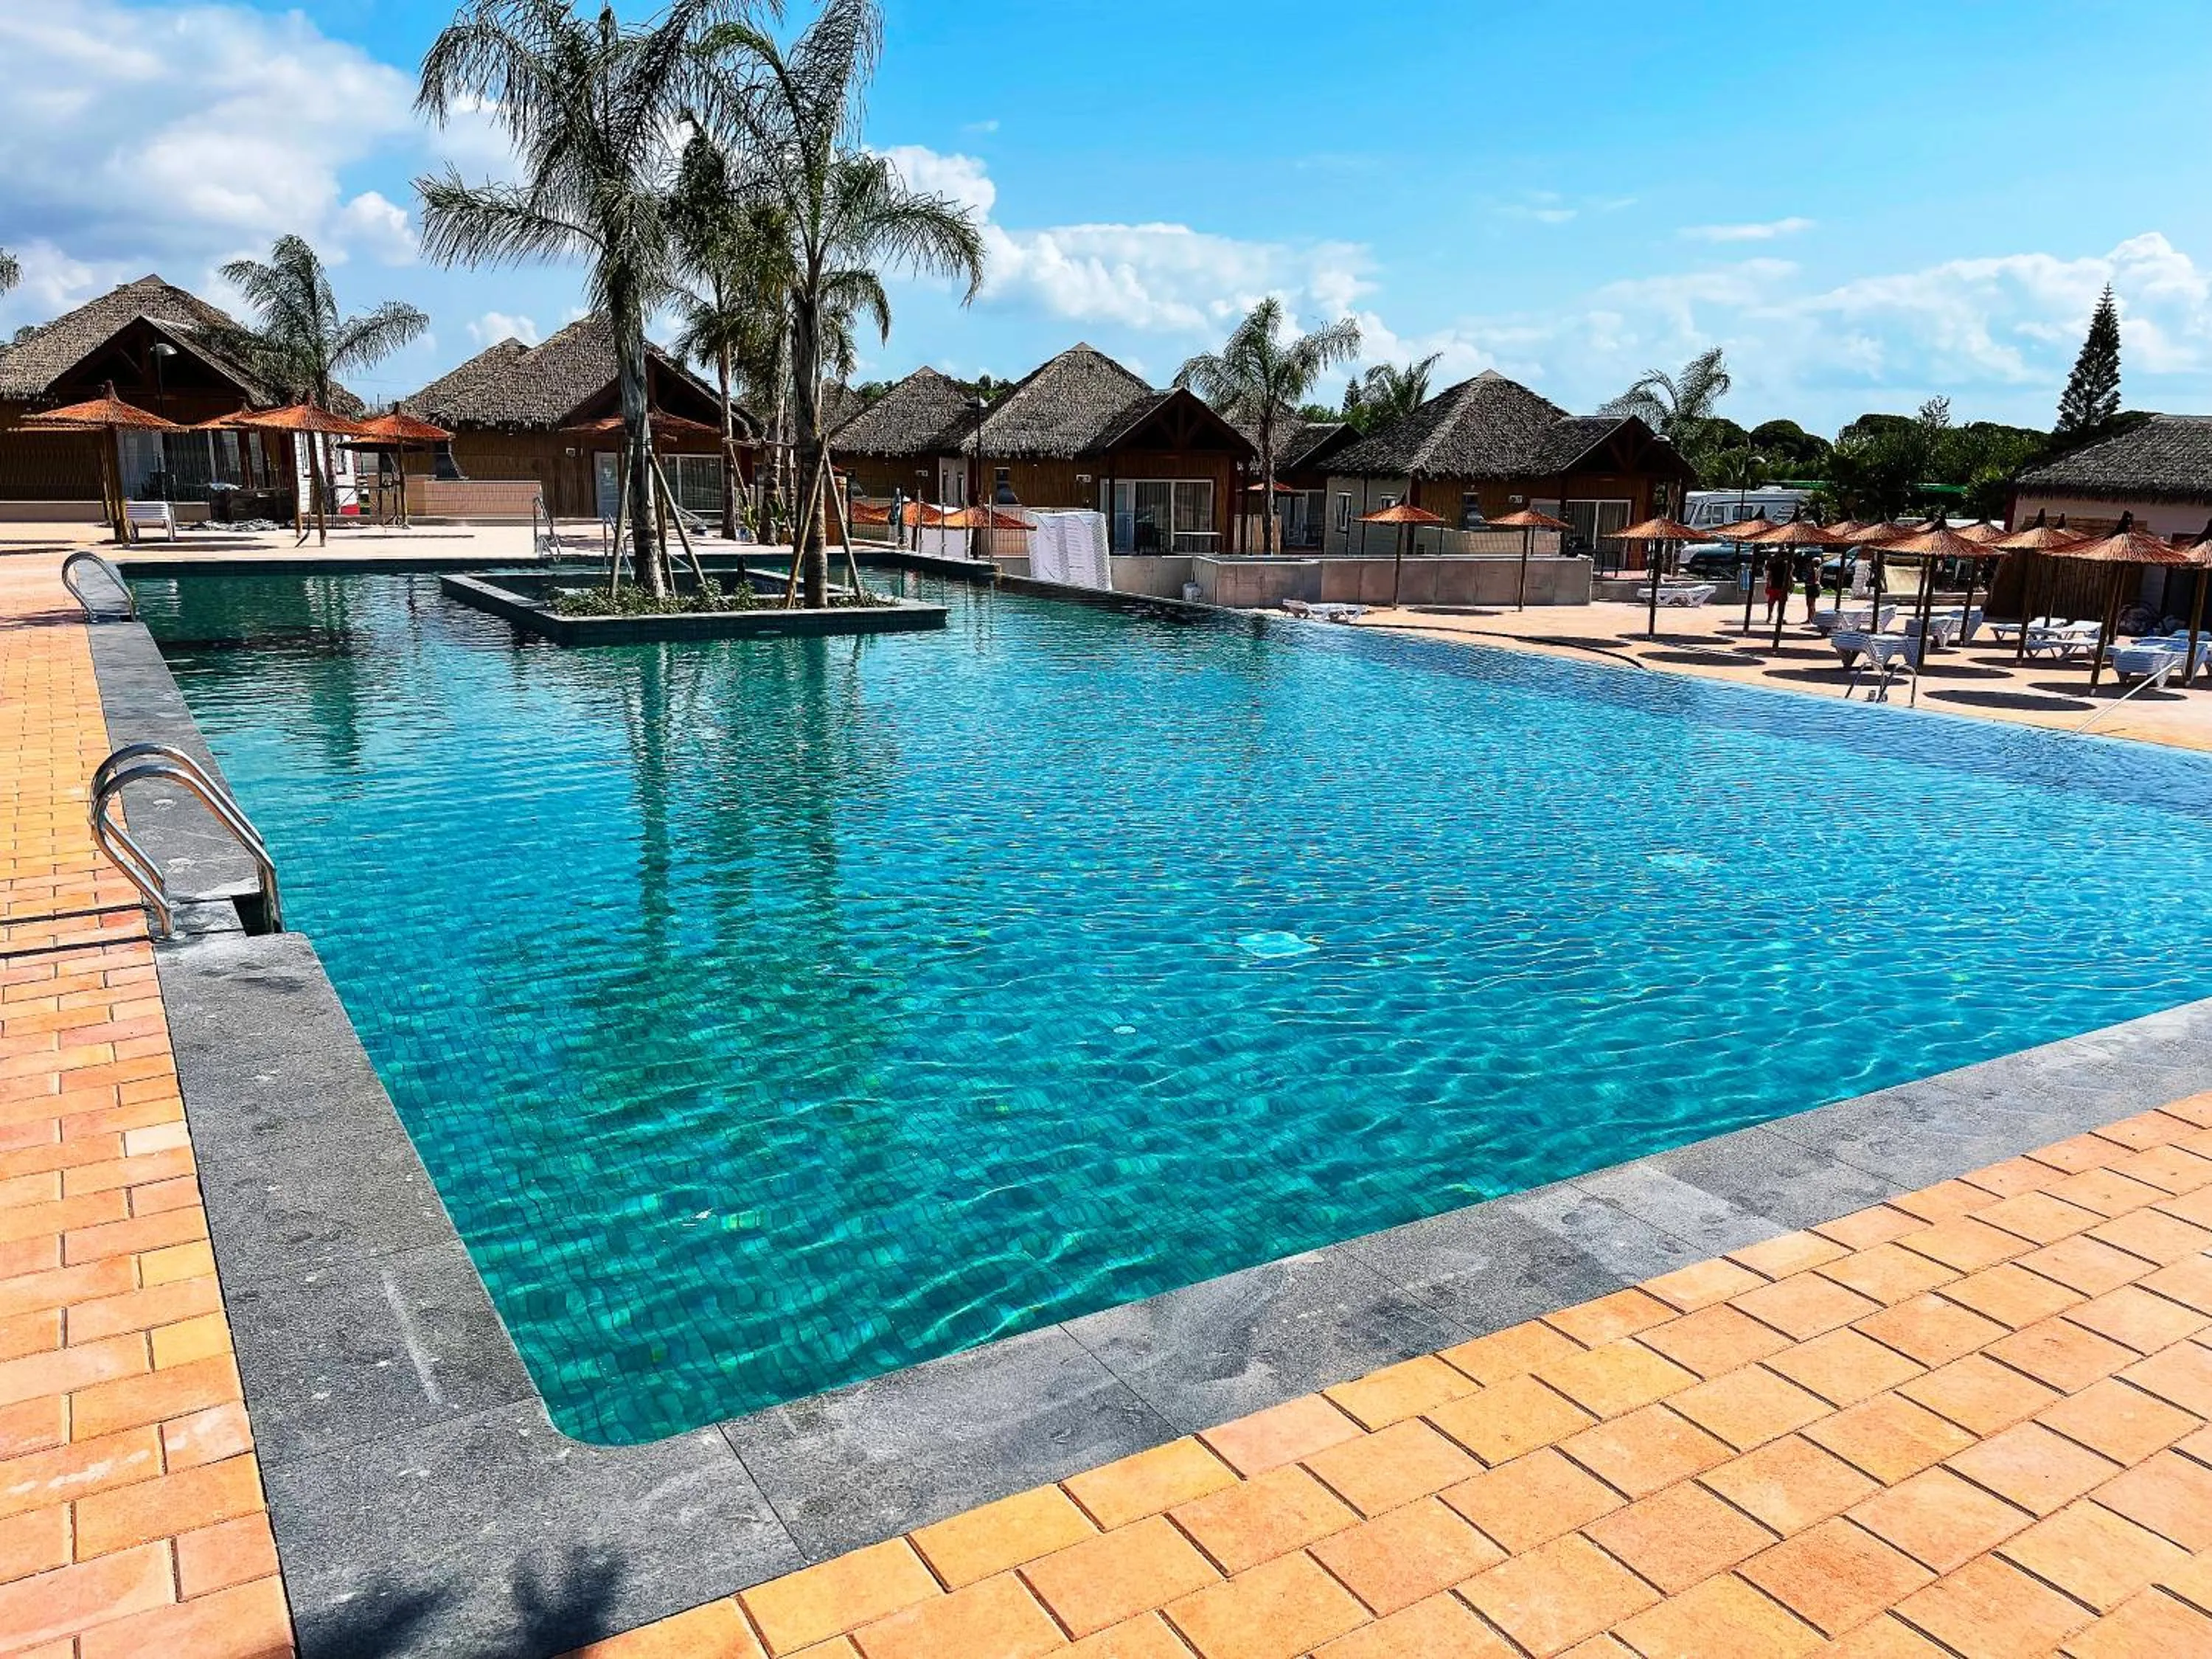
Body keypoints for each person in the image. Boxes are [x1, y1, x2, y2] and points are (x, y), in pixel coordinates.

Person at [1764, 549, 1792, 625]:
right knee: (1781, 603)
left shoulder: (1774, 564)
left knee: (1771, 603)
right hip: (1783, 587)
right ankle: (1780, 618)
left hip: (1774, 586)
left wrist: (1768, 585)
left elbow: (1770, 576)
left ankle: (1769, 617)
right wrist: (1790, 586)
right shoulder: (1788, 566)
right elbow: (1789, 577)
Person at [1801, 549, 1824, 622]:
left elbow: (1813, 579)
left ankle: (1810, 618)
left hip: (1812, 587)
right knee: (1812, 604)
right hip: (1815, 587)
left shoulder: (1814, 570)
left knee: (1810, 604)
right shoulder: (1819, 569)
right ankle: (1811, 618)